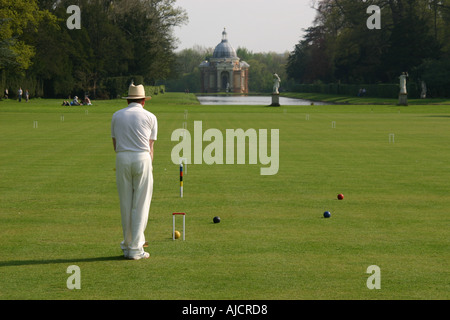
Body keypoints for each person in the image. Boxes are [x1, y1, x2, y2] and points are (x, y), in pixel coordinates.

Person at [111, 84, 157, 260]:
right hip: (142, 158)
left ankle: (128, 245)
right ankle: (136, 249)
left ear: (128, 100)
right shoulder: (151, 117)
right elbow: (150, 147)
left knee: (126, 203)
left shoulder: (116, 115)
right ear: (144, 101)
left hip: (122, 158)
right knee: (141, 204)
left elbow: (115, 145)